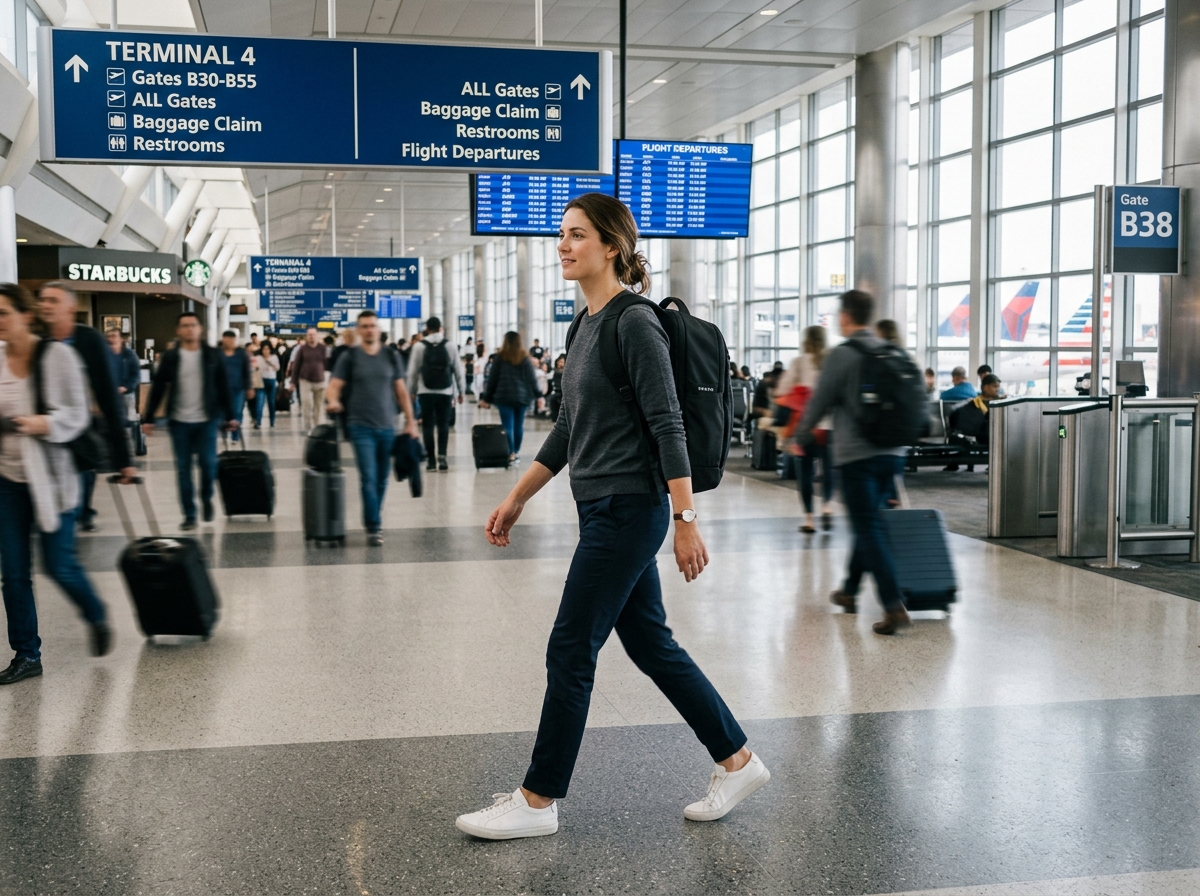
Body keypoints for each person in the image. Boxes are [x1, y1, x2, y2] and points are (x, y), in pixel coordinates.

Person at [456, 193, 766, 841]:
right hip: (598, 505)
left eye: (576, 235)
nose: (563, 246)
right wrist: (518, 497)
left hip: (631, 509)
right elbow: (570, 427)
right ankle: (736, 760)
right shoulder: (584, 325)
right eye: (561, 236)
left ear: (612, 247)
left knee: (571, 647)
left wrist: (685, 516)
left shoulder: (634, 323)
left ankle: (538, 800)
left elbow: (668, 422)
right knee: (651, 643)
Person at [0, 284, 114, 685]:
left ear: (26, 316)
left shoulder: (57, 355)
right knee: (13, 573)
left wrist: (39, 422)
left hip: (51, 478)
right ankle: (27, 654)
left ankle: (96, 614)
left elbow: (78, 415)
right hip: (7, 480)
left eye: (3, 313)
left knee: (59, 565)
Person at [794, 289, 911, 636]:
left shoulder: (843, 355)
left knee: (868, 527)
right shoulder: (890, 349)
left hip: (858, 456)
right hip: (893, 452)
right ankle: (848, 590)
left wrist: (801, 434)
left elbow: (820, 401)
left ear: (846, 316)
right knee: (868, 523)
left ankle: (893, 604)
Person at [36, 282, 137, 531]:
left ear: (70, 308)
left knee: (79, 487)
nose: (45, 305)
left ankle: (81, 514)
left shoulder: (89, 340)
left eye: (53, 300)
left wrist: (123, 458)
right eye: (43, 299)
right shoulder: (38, 342)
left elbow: (108, 398)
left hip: (81, 434)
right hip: (46, 439)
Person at [326, 310, 418, 547]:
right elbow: (334, 386)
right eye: (364, 326)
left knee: (381, 479)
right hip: (360, 426)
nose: (369, 330)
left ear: (378, 329)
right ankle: (373, 526)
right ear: (358, 330)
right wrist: (333, 400)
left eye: (372, 326)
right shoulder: (350, 357)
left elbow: (400, 390)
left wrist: (411, 421)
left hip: (387, 426)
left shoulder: (390, 355)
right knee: (368, 477)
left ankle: (373, 518)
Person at [143, 312, 237, 530]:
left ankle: (206, 496)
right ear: (178, 330)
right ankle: (189, 514)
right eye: (184, 326)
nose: (189, 329)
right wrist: (148, 418)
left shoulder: (212, 355)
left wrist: (231, 415)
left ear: (200, 329)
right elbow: (158, 387)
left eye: (193, 325)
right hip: (179, 421)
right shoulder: (171, 357)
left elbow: (224, 386)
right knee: (183, 469)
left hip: (207, 420)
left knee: (208, 464)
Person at [778, 326, 834, 534]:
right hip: (830, 426)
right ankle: (827, 506)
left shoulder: (800, 363)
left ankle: (809, 519)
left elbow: (783, 389)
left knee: (806, 473)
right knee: (829, 469)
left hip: (806, 426)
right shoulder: (831, 362)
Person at [405, 317, 465, 473]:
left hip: (425, 391)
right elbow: (458, 370)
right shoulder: (450, 345)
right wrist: (461, 391)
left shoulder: (419, 346)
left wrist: (410, 391)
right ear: (440, 328)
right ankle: (442, 457)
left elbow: (412, 372)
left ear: (427, 328)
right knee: (443, 424)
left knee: (427, 425)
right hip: (445, 391)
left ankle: (431, 461)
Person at [478, 331, 539, 465]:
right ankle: (516, 452)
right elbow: (532, 379)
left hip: (504, 397)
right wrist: (539, 396)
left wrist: (486, 399)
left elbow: (492, 380)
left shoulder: (500, 358)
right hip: (522, 398)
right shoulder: (524, 357)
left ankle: (510, 452)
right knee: (519, 425)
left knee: (507, 426)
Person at [290, 328, 328, 433]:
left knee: (319, 406)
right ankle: (308, 427)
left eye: (313, 334)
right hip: (305, 380)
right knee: (306, 404)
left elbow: (326, 363)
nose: (311, 336)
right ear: (306, 336)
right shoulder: (302, 349)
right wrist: (293, 381)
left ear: (317, 336)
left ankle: (317, 426)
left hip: (320, 380)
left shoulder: (322, 348)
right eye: (309, 334)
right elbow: (296, 365)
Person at [950, 374, 1003, 445]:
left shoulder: (1001, 403)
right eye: (994, 386)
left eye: (998, 386)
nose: (997, 389)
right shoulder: (974, 403)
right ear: (985, 387)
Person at [220, 330, 254, 442]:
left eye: (232, 339)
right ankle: (225, 432)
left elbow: (246, 371)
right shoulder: (218, 354)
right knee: (224, 412)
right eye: (227, 339)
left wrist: (249, 387)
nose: (229, 342)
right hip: (222, 390)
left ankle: (235, 434)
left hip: (238, 389)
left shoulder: (241, 354)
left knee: (237, 411)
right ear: (223, 340)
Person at [105, 328, 141, 429]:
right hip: (109, 394)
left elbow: (136, 375)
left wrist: (127, 387)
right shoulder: (104, 354)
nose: (111, 339)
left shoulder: (130, 354)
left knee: (128, 423)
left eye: (114, 336)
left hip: (126, 395)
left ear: (121, 338)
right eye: (109, 336)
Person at [251, 341, 280, 429]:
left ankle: (272, 421)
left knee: (271, 402)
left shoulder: (274, 357)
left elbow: (277, 368)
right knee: (259, 402)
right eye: (264, 349)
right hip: (261, 381)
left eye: (268, 349)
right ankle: (258, 422)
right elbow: (253, 368)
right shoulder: (258, 358)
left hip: (271, 380)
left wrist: (270, 362)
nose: (266, 351)